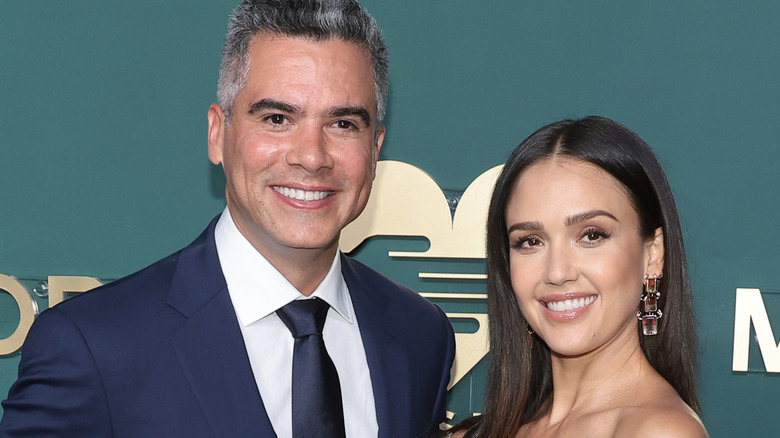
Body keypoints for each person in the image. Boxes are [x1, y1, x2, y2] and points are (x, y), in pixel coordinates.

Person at [0, 1, 455, 437]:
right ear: (217, 134)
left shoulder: (421, 336)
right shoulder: (93, 347)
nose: (312, 157)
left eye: (342, 125)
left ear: (374, 149)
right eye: (278, 119)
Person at [449, 116, 707, 437]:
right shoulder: (481, 432)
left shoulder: (660, 431)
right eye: (530, 241)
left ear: (652, 254)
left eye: (591, 235)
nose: (557, 272)